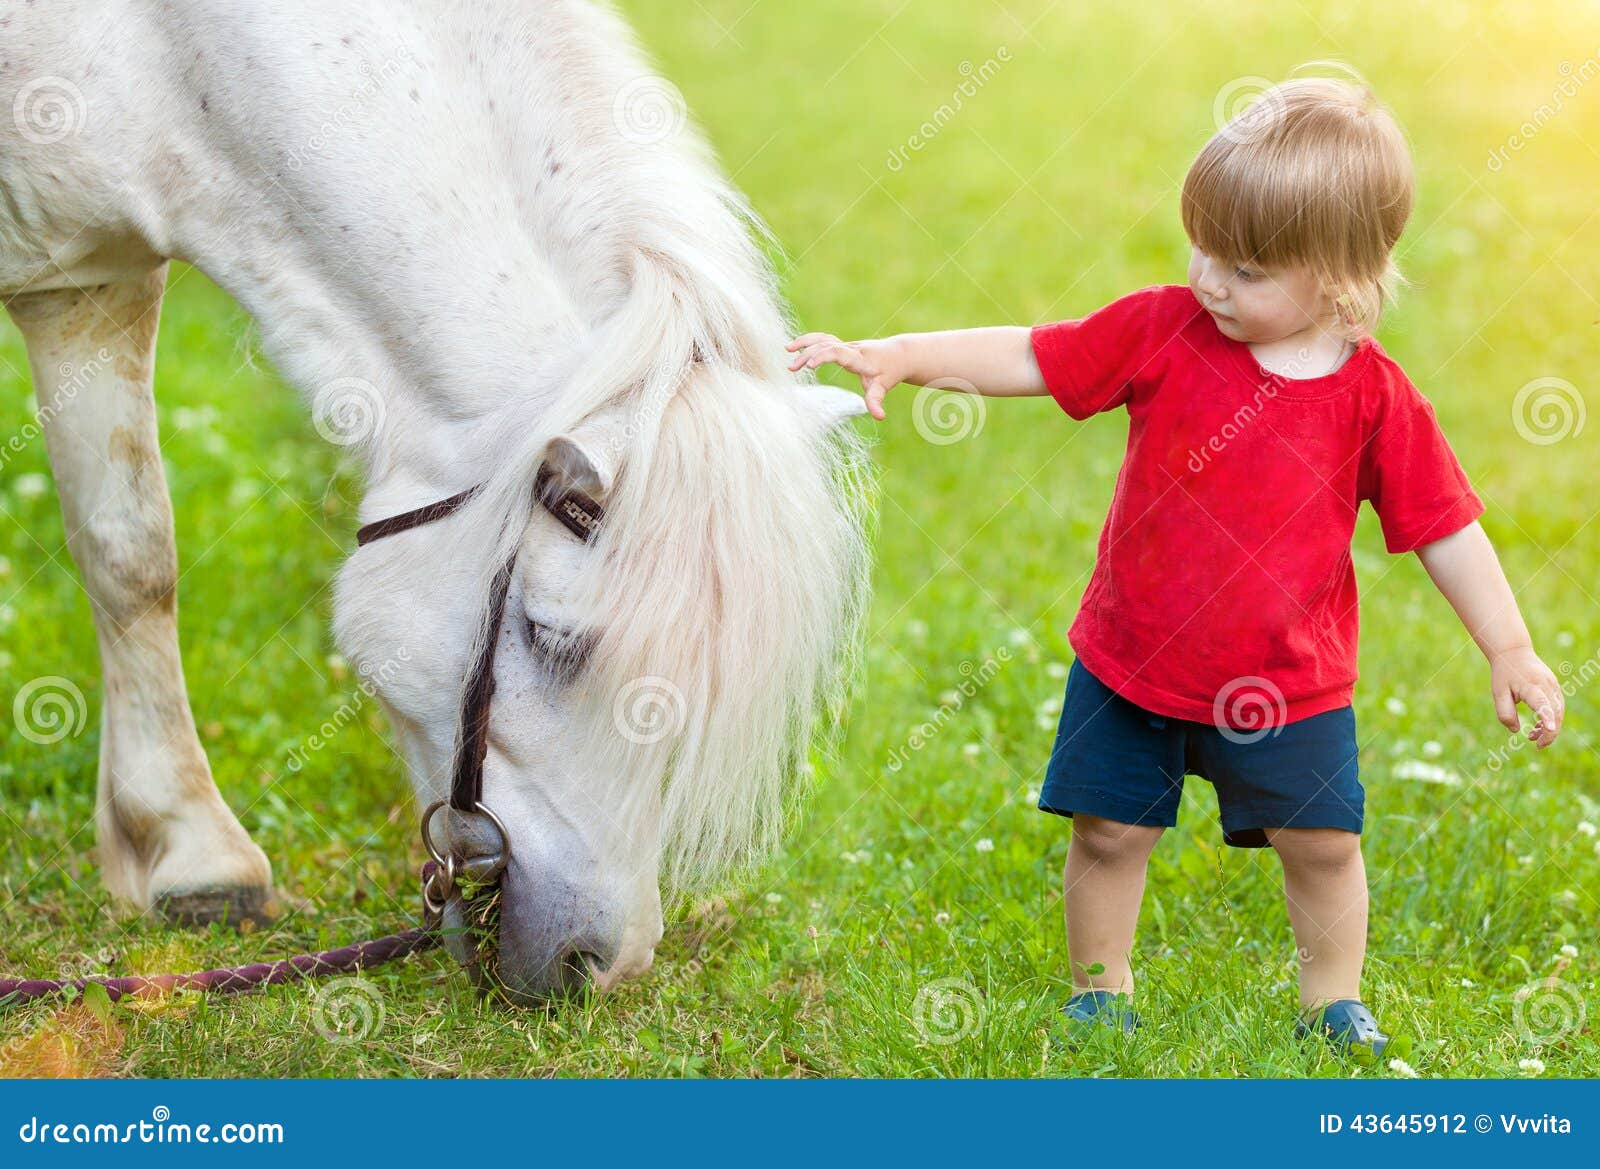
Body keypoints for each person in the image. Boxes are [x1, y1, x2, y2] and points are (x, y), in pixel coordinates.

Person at [785, 74, 1565, 1059]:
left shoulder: (1373, 398)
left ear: (1339, 278)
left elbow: (1445, 525)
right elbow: (1033, 353)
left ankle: (1331, 997)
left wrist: (1508, 644)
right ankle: (1099, 993)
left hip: (1289, 686)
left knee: (1322, 847)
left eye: (1243, 269)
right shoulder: (1163, 330)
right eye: (1202, 247)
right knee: (1107, 832)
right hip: (1132, 659)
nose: (1209, 280)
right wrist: (897, 351)